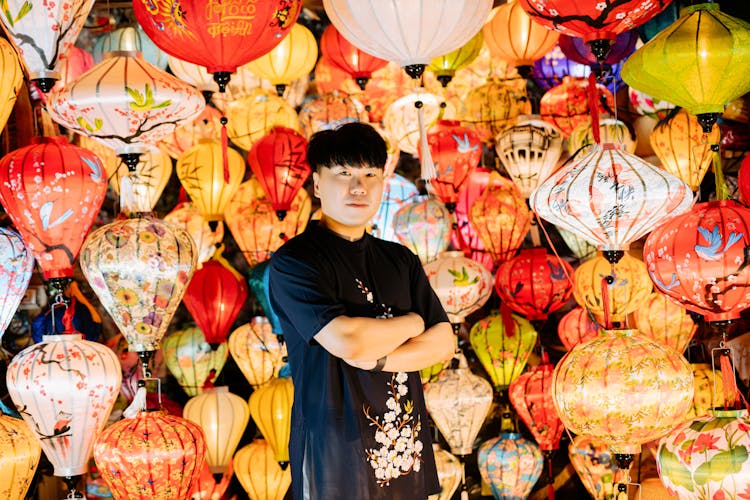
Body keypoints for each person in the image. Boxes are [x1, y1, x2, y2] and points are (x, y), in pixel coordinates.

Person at [268, 122, 455, 500]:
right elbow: (348, 340)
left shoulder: (399, 259)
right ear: (317, 184)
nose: (359, 187)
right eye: (344, 174)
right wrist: (413, 322)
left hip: (402, 449)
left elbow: (442, 343)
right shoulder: (296, 261)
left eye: (370, 174)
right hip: (333, 452)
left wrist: (377, 360)